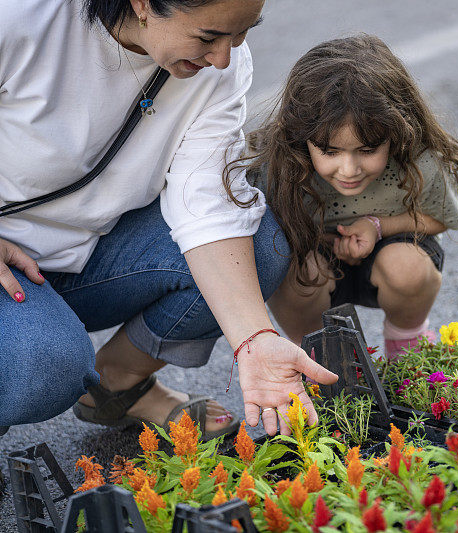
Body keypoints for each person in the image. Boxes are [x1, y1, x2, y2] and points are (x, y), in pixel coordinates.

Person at [0, 0, 336, 439]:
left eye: (242, 33)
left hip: (86, 257)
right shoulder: (23, 18)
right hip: (9, 264)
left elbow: (208, 205)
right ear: (142, 4)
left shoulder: (221, 69)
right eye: (208, 37)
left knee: (259, 247)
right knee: (43, 365)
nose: (223, 58)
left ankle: (116, 385)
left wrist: (255, 339)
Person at [242, 34, 458, 358]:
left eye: (367, 150)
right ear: (301, 137)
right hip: (315, 256)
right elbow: (266, 232)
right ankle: (320, 358)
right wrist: (329, 241)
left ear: (396, 131)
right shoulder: (279, 166)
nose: (349, 169)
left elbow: (439, 218)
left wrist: (376, 227)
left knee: (407, 267)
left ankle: (407, 351)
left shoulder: (418, 158)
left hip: (390, 248)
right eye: (329, 151)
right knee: (297, 272)